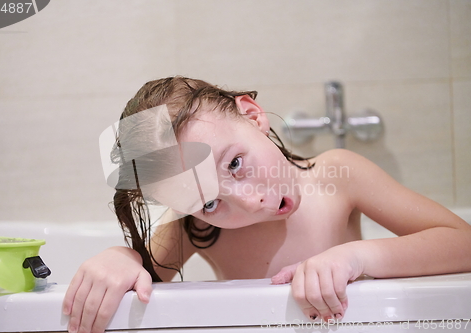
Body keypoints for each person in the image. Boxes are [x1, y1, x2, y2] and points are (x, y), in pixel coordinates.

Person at [63, 76, 471, 333]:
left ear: (253, 114)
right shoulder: (194, 227)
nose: (247, 201)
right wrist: (122, 258)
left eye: (235, 164)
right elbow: (144, 273)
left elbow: (462, 243)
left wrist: (357, 258)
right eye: (207, 202)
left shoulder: (336, 176)